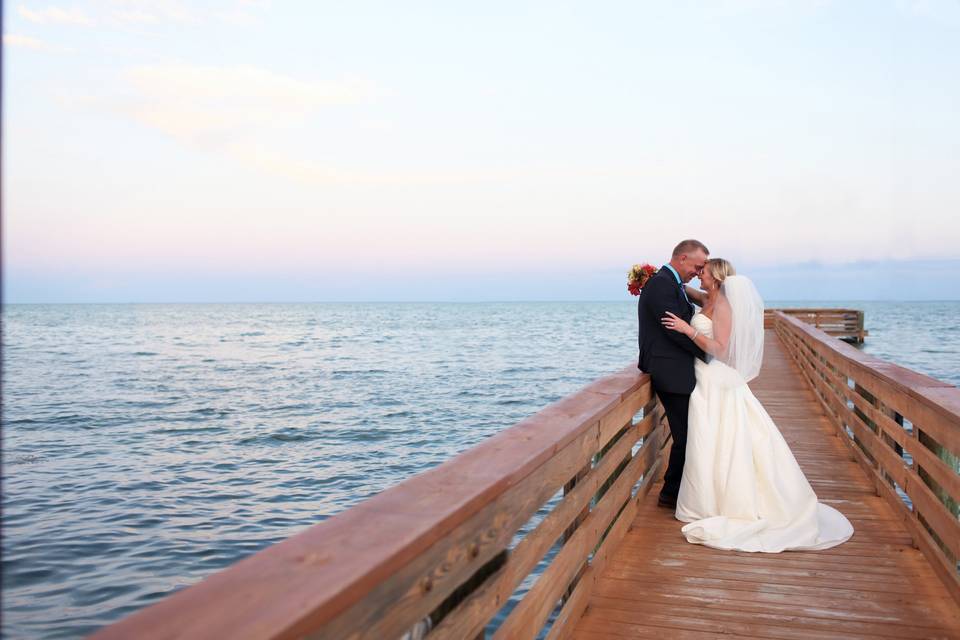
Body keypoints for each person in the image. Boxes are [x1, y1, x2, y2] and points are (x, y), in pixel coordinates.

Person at [661, 258, 853, 552]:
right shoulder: (708, 296)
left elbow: (722, 351)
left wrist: (688, 330)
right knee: (709, 436)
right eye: (699, 272)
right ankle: (708, 495)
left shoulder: (724, 306)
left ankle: (725, 501)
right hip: (705, 376)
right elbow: (685, 288)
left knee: (718, 435)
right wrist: (652, 275)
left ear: (717, 277)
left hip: (716, 377)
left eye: (704, 272)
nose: (700, 275)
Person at [637, 239, 710, 509]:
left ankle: (676, 490)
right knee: (686, 434)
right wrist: (710, 355)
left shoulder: (673, 283)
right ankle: (671, 493)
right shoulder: (661, 284)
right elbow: (671, 329)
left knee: (689, 432)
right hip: (669, 370)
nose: (698, 271)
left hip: (676, 367)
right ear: (682, 259)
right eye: (697, 265)